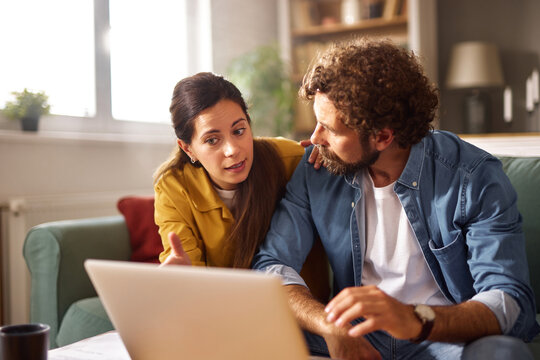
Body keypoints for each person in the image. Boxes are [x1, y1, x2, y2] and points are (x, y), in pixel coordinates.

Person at [252, 39, 539, 360]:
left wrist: (415, 319)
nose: (316, 138)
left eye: (330, 129)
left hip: (441, 335)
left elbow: (508, 298)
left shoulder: (472, 175)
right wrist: (329, 325)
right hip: (354, 332)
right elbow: (272, 265)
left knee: (502, 354)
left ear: (383, 136)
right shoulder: (317, 169)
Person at [153, 72, 328, 298]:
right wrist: (180, 282)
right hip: (225, 313)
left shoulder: (289, 159)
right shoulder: (173, 187)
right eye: (212, 140)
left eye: (239, 131)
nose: (232, 150)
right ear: (188, 148)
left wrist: (330, 154)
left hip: (304, 314)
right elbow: (186, 272)